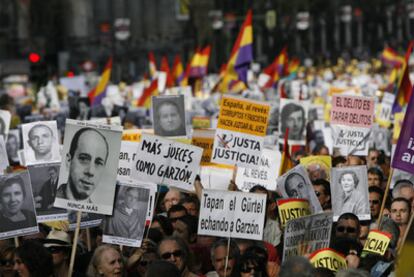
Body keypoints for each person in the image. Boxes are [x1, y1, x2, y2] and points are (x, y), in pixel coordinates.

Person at [56, 127, 109, 202]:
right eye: (84, 159)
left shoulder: (100, 214)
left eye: (98, 163)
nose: (91, 171)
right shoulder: (46, 204)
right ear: (68, 161)